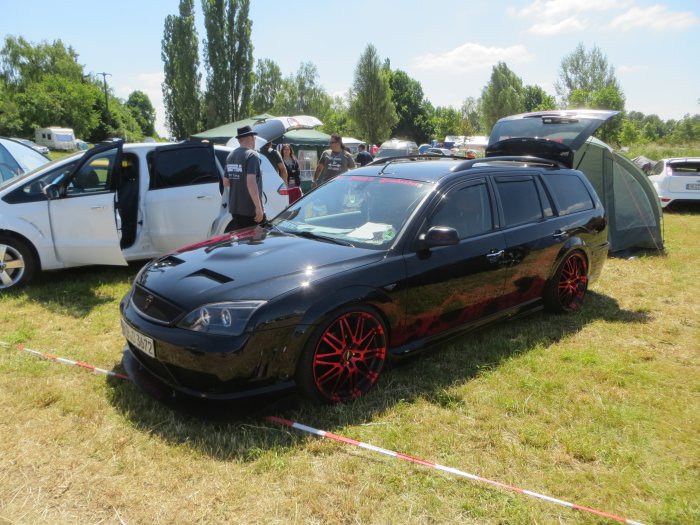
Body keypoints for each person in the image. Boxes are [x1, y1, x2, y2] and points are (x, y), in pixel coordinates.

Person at [223, 125, 264, 231]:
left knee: (243, 241)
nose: (255, 140)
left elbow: (226, 182)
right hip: (250, 210)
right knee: (257, 241)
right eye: (254, 138)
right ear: (250, 138)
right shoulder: (252, 155)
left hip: (235, 209)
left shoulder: (230, 156)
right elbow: (251, 182)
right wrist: (259, 208)